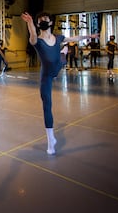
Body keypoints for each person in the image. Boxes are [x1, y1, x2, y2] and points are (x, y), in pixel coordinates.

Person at [21, 12, 98, 155]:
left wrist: (89, 36)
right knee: (46, 105)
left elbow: (75, 37)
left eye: (45, 19)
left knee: (61, 58)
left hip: (57, 65)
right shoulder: (37, 41)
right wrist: (30, 22)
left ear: (50, 23)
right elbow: (32, 35)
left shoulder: (58, 37)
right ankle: (51, 141)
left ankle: (63, 51)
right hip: (47, 76)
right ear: (38, 25)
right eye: (40, 20)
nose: (42, 22)